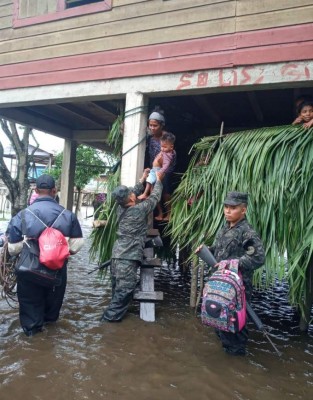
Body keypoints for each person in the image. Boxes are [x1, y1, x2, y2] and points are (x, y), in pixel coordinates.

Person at [7, 174, 84, 336]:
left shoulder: (21, 215)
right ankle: (49, 347)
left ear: (35, 190)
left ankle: (33, 346)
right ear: (54, 191)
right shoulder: (68, 215)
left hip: (28, 272)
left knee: (31, 320)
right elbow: (77, 246)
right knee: (50, 319)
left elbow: (12, 249)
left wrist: (29, 242)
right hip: (56, 272)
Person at [196, 191, 265, 356]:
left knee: (235, 326)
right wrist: (207, 250)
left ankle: (237, 358)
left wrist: (232, 263)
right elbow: (219, 251)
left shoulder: (247, 233)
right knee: (220, 322)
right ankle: (228, 358)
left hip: (237, 288)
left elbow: (258, 258)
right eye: (226, 207)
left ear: (244, 210)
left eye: (233, 208)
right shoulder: (224, 229)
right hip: (221, 286)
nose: (227, 211)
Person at [100, 168, 163, 322]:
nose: (133, 193)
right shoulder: (139, 210)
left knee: (117, 292)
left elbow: (133, 192)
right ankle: (107, 323)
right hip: (127, 259)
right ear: (131, 198)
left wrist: (143, 179)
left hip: (116, 258)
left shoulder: (119, 207)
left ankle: (109, 324)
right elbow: (154, 198)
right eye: (131, 193)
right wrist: (159, 181)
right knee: (124, 293)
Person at [146, 107, 177, 221]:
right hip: (155, 168)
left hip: (166, 167)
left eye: (155, 125)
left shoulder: (167, 137)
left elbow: (171, 153)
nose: (152, 128)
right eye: (150, 125)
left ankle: (169, 213)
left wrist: (163, 169)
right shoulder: (149, 137)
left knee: (165, 190)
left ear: (162, 125)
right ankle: (159, 213)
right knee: (154, 190)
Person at [138, 132, 176, 206]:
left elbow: (166, 165)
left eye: (164, 147)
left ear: (171, 147)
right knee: (149, 182)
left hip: (158, 171)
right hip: (154, 170)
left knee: (152, 184)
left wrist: (161, 171)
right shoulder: (165, 151)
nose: (162, 148)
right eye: (161, 146)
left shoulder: (168, 155)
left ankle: (146, 195)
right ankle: (146, 194)